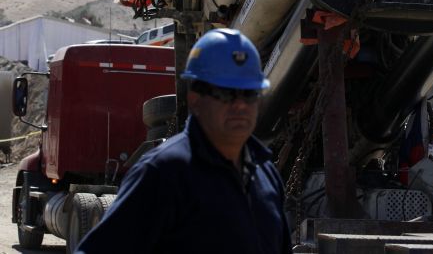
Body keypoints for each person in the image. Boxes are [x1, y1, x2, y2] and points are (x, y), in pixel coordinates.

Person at [77, 29, 292, 254]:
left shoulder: (266, 174)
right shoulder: (165, 173)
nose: (240, 105)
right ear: (195, 98)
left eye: (249, 93)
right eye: (227, 92)